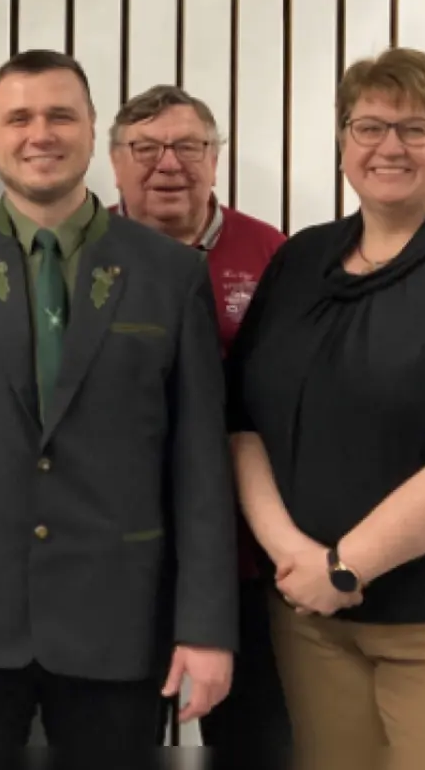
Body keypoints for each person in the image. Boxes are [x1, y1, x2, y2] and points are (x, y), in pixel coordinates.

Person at [0, 50, 238, 761]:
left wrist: (207, 626)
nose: (41, 134)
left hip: (118, 621)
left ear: (93, 131)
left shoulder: (170, 273)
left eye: (60, 115)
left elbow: (201, 469)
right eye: (19, 118)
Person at [225, 47, 425, 770]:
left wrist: (348, 567)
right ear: (344, 141)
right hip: (309, 619)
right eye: (368, 126)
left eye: (416, 128)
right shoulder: (300, 259)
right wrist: (292, 555)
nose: (388, 147)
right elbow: (240, 416)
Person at [109, 83, 289, 753]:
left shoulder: (273, 254)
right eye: (146, 148)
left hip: (247, 550)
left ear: (216, 158)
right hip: (119, 555)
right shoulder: (75, 257)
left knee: (255, 741)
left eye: (189, 146)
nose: (168, 164)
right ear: (115, 161)